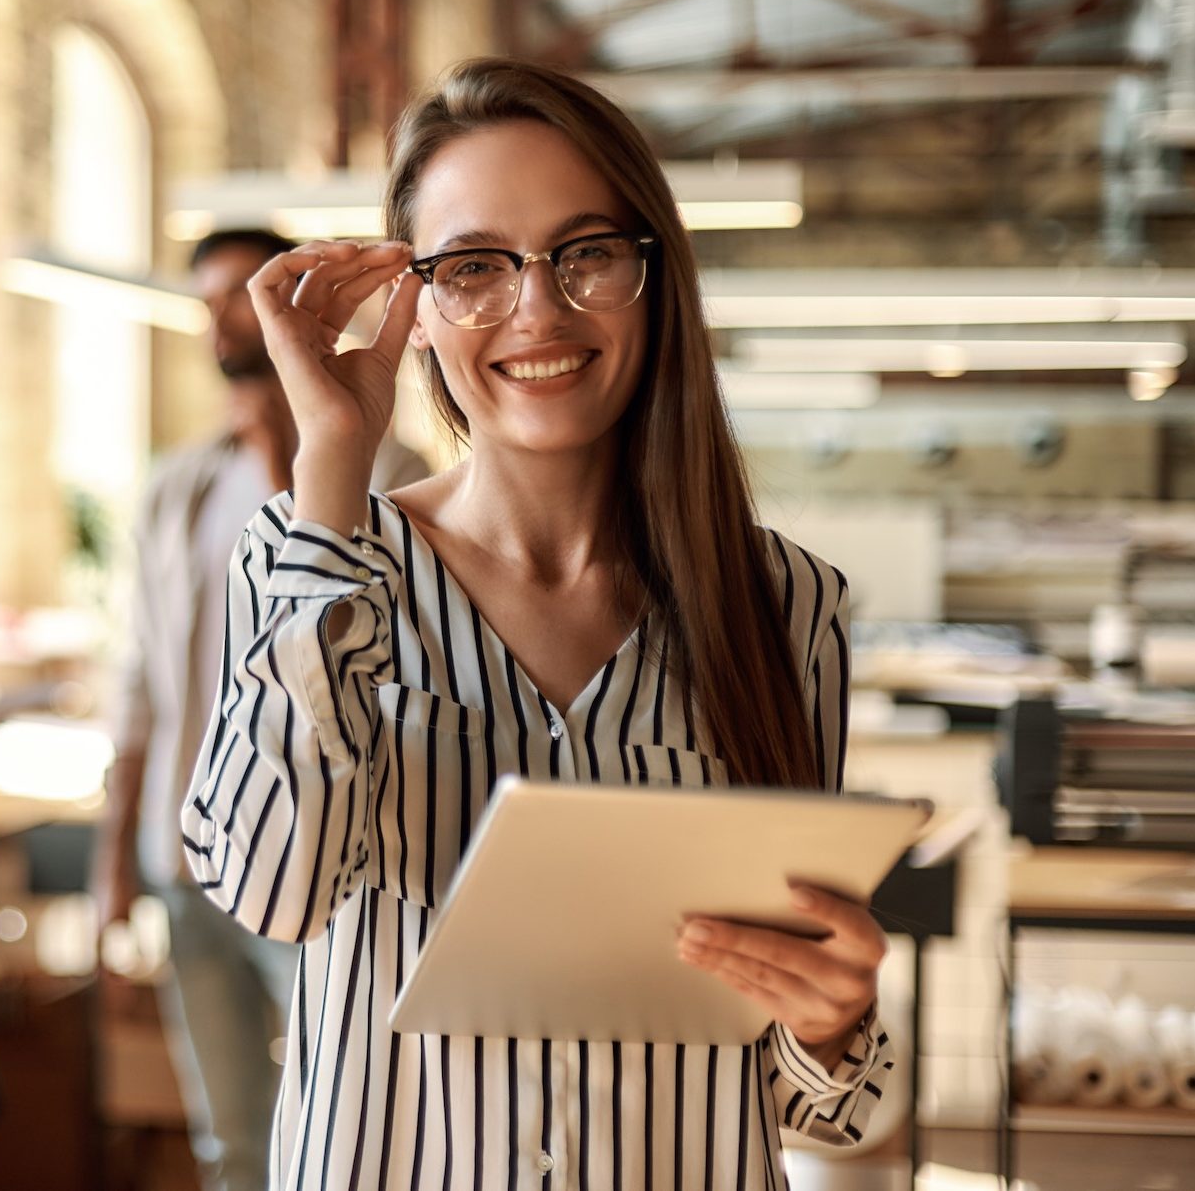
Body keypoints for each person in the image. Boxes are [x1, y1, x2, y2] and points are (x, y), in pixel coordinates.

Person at [182, 59, 894, 1190]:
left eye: (588, 253)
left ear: (653, 275)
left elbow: (795, 1085)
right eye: (474, 267)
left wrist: (834, 1024)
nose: (539, 309)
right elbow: (272, 889)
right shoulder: (309, 559)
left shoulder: (786, 605)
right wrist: (331, 467)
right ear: (414, 309)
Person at [93, 228, 430, 1191]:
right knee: (229, 1140)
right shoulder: (178, 490)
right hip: (186, 859)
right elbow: (141, 685)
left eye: (240, 297)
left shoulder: (397, 476)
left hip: (329, 862)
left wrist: (310, 452)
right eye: (207, 305)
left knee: (345, 1127)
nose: (221, 324)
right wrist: (115, 860)